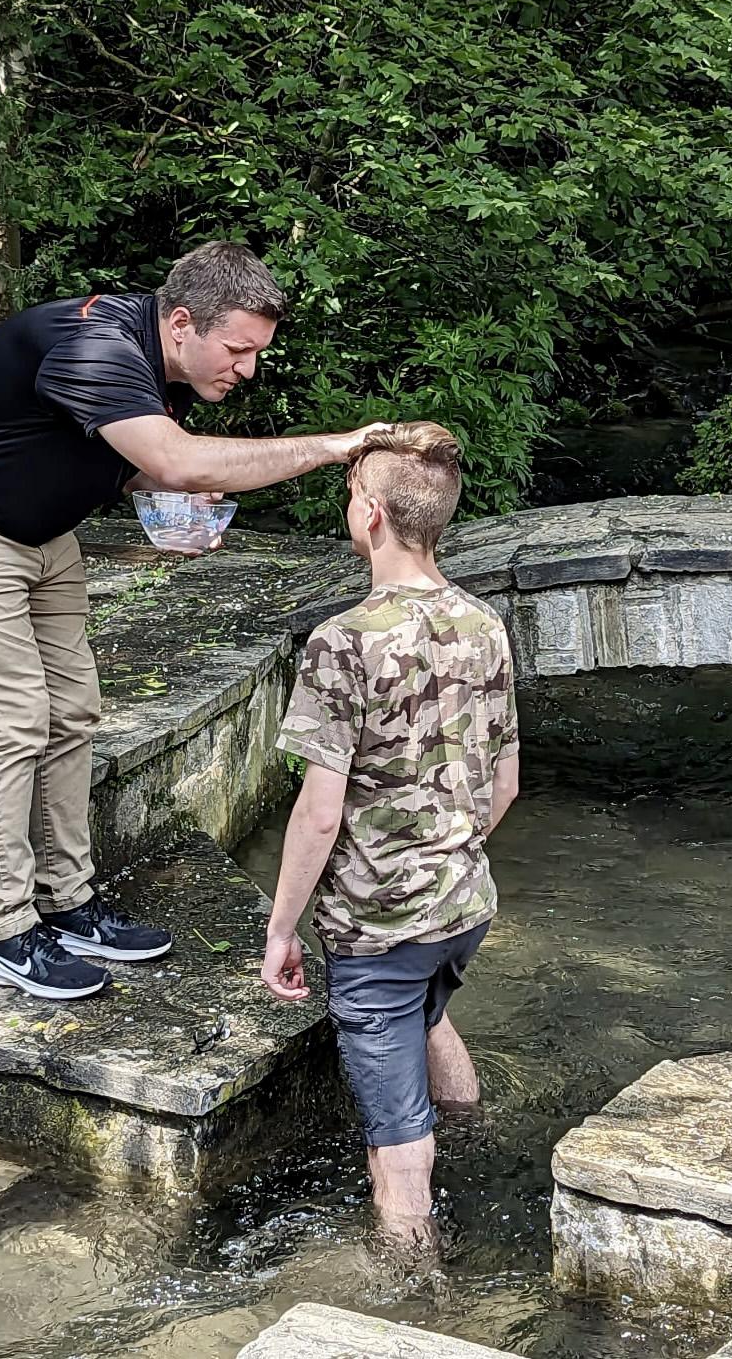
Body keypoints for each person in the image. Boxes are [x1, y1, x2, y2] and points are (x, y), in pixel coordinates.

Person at [0, 240, 385, 1001]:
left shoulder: (162, 363)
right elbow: (177, 458)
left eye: (256, 353)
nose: (248, 369)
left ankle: (68, 902)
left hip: (40, 533)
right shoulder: (96, 344)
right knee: (14, 721)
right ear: (181, 321)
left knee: (72, 712)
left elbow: (140, 457)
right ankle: (4, 935)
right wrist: (333, 448)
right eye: (240, 349)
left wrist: (175, 492)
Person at [259, 422, 520, 1244]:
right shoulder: (485, 623)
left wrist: (281, 927)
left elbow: (318, 810)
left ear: (369, 514)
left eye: (349, 494)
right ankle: (478, 1143)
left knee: (397, 1147)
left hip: (378, 928)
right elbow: (506, 782)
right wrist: (447, 855)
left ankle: (414, 1289)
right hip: (464, 905)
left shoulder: (343, 641)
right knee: (431, 1013)